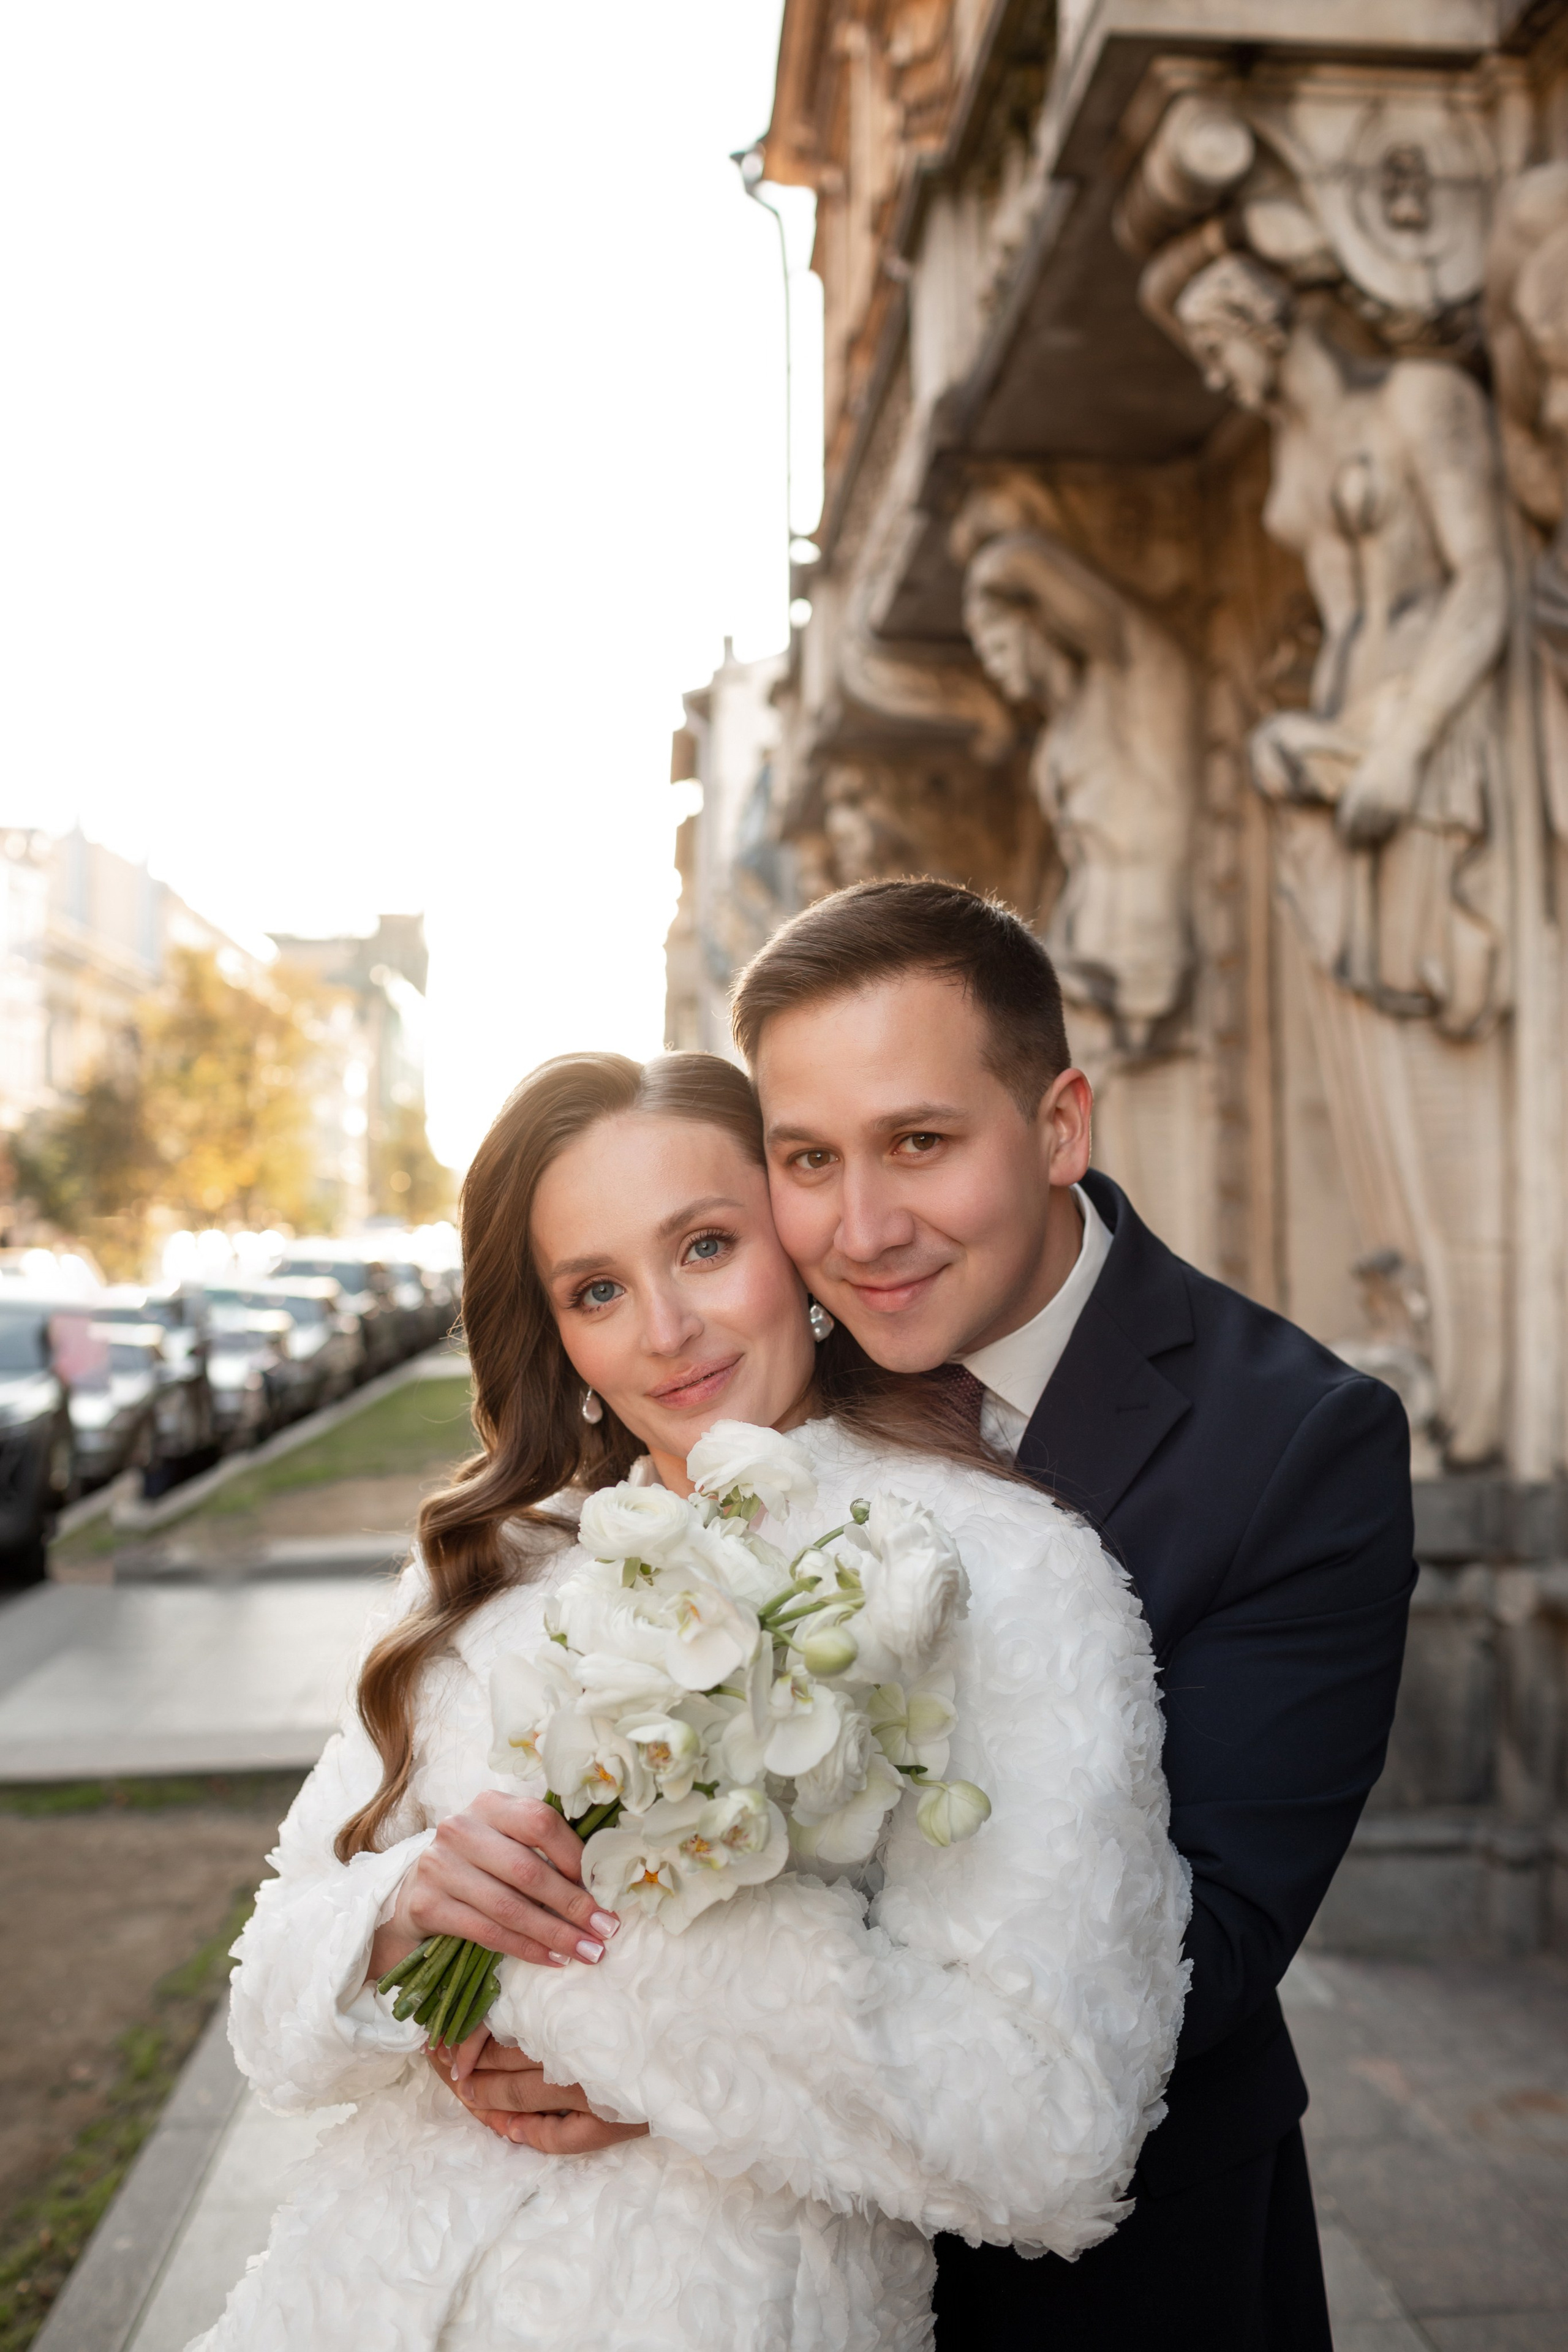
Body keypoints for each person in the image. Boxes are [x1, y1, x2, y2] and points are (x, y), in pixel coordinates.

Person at [193, 1049, 1188, 2352]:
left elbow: (1052, 2130)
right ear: (558, 1332)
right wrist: (401, 1909)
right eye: (597, 1288)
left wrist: (618, 2033)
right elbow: (270, 2025)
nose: (663, 1329)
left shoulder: (992, 1569)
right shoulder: (491, 1573)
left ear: (792, 1241)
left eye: (706, 1246)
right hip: (347, 2302)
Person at [726, 877, 1417, 2351]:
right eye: (805, 1158)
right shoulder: (752, 1375)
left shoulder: (1297, 1443)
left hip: (1114, 2282)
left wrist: (671, 2032)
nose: (860, 1229)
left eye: (918, 1142)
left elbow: (1197, 1954)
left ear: (1056, 1127)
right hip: (751, 2253)